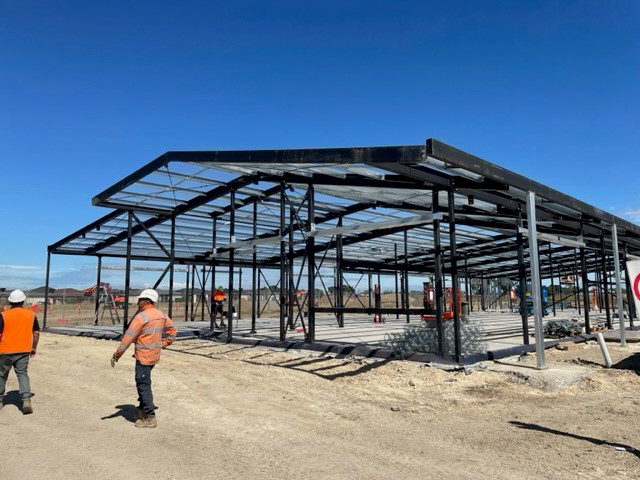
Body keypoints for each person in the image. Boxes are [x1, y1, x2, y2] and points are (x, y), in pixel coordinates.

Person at [110, 289, 176, 428]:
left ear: (147, 301)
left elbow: (128, 338)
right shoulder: (161, 315)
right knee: (144, 382)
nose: (138, 302)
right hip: (154, 356)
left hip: (143, 357)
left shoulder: (142, 317)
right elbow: (172, 331)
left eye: (140, 300)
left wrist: (117, 354)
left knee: (143, 385)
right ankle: (141, 411)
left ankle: (150, 417)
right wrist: (164, 344)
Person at [0, 289, 39, 414]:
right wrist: (33, 347)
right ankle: (26, 399)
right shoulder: (31, 315)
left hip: (4, 350)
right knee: (22, 373)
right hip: (23, 350)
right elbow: (36, 332)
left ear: (10, 301)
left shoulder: (3, 315)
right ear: (23, 301)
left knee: (1, 375)